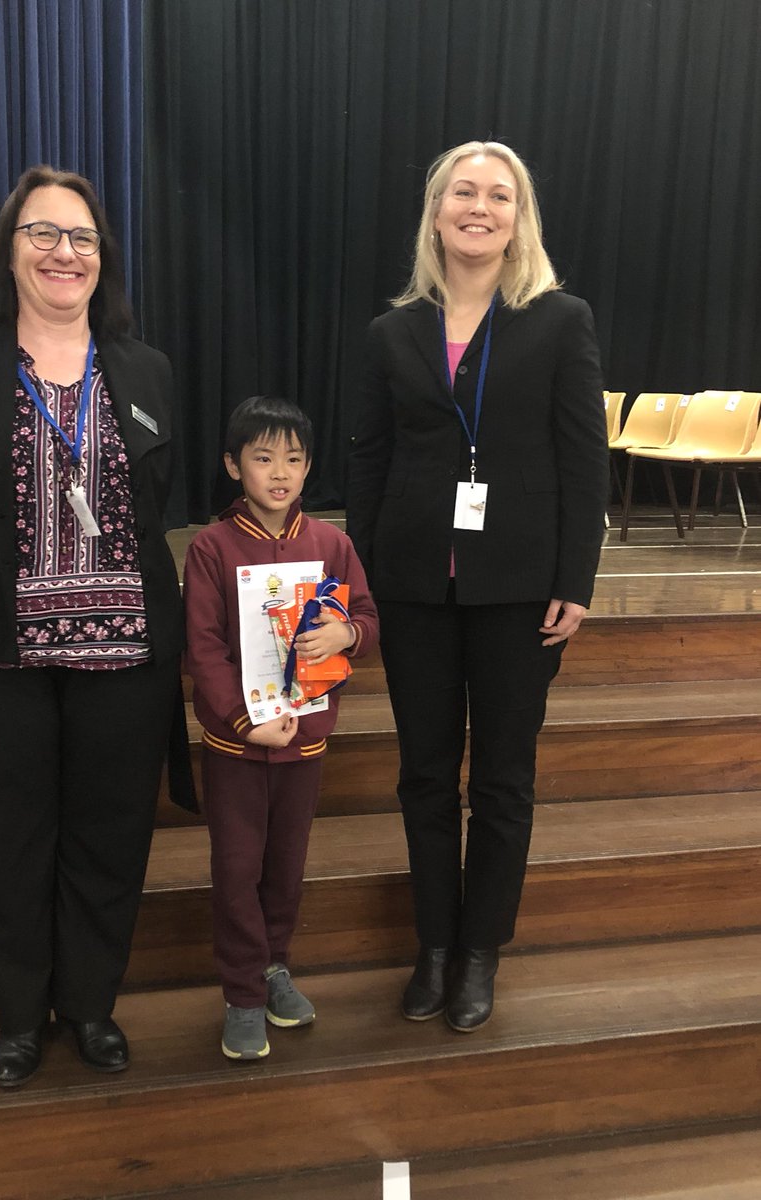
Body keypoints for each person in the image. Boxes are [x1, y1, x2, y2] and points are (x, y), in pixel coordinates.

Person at [0, 165, 195, 1088]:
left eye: (83, 239)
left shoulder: (145, 370)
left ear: (102, 259)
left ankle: (91, 1005)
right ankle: (20, 1017)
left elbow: (156, 502)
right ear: (11, 249)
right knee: (2, 841)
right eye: (44, 234)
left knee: (109, 837)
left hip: (124, 659)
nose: (65, 253)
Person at [346, 140, 608, 1032]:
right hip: (416, 587)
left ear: (517, 218)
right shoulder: (392, 332)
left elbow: (583, 458)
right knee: (424, 778)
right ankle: (433, 947)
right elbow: (371, 461)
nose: (480, 206)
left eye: (499, 195)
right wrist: (365, 579)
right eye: (464, 191)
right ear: (438, 210)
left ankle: (481, 952)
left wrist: (577, 578)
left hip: (520, 589)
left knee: (502, 780)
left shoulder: (559, 320)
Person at [184, 396, 378, 1060]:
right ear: (233, 465)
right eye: (263, 458)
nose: (279, 473)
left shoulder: (332, 544)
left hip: (306, 740)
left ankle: (273, 969)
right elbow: (203, 649)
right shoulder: (212, 547)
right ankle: (240, 993)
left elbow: (369, 624)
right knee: (236, 867)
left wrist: (347, 632)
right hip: (237, 746)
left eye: (293, 460)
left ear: (308, 468)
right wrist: (241, 720)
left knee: (285, 867)